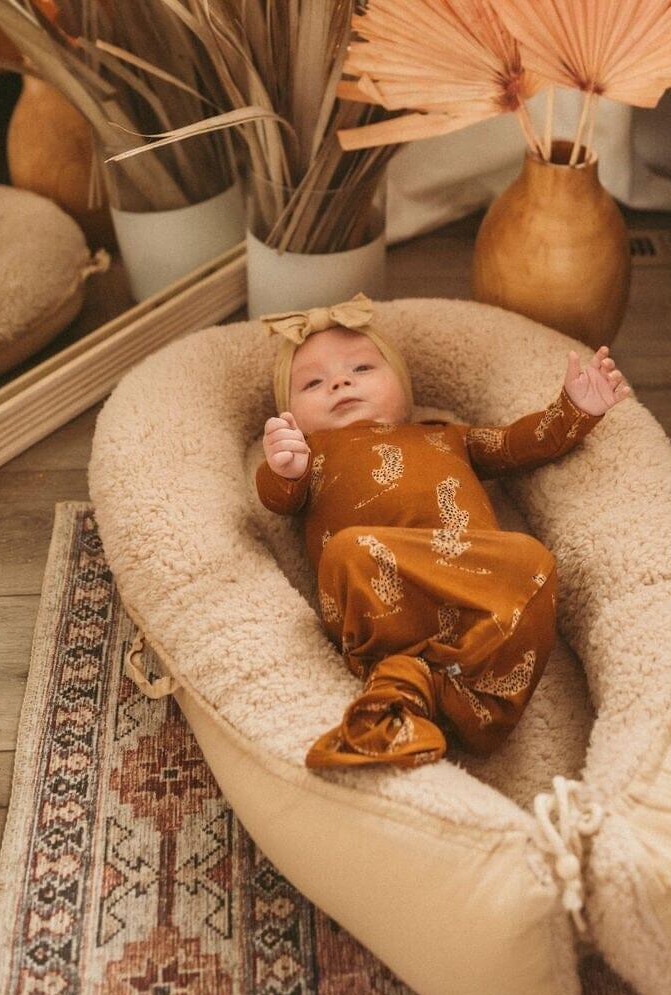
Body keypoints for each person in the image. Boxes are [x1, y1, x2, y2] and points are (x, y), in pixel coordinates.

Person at [255, 293, 630, 770]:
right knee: (349, 552)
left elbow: (515, 444)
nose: (340, 382)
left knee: (532, 562)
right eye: (313, 382)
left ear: (405, 389)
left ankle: (436, 701)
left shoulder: (445, 434)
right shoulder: (315, 453)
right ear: (290, 416)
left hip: (469, 591)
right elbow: (277, 497)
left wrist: (574, 409)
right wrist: (285, 466)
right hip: (381, 597)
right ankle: (405, 690)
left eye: (362, 369)